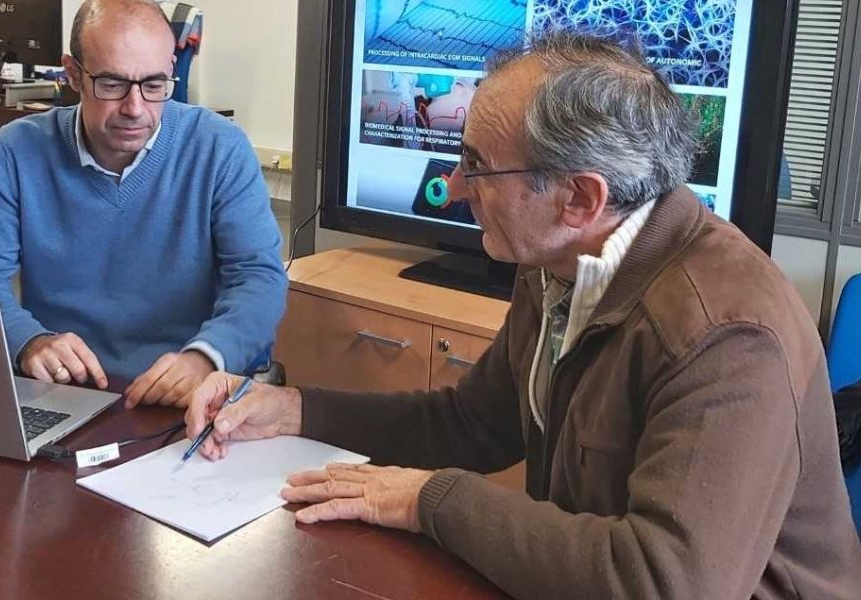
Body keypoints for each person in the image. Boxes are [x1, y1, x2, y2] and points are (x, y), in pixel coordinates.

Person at [185, 31, 861, 597]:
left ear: (580, 199)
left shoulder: (726, 332)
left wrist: (429, 500)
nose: (451, 187)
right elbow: (477, 424)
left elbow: (666, 581)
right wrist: (298, 410)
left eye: (476, 166)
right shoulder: (556, 263)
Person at [0, 0, 286, 408]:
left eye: (155, 84)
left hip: (186, 397)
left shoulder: (219, 148)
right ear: (72, 74)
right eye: (112, 84)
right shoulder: (17, 150)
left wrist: (205, 356)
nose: (135, 108)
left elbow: (258, 277)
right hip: (65, 393)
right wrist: (29, 341)